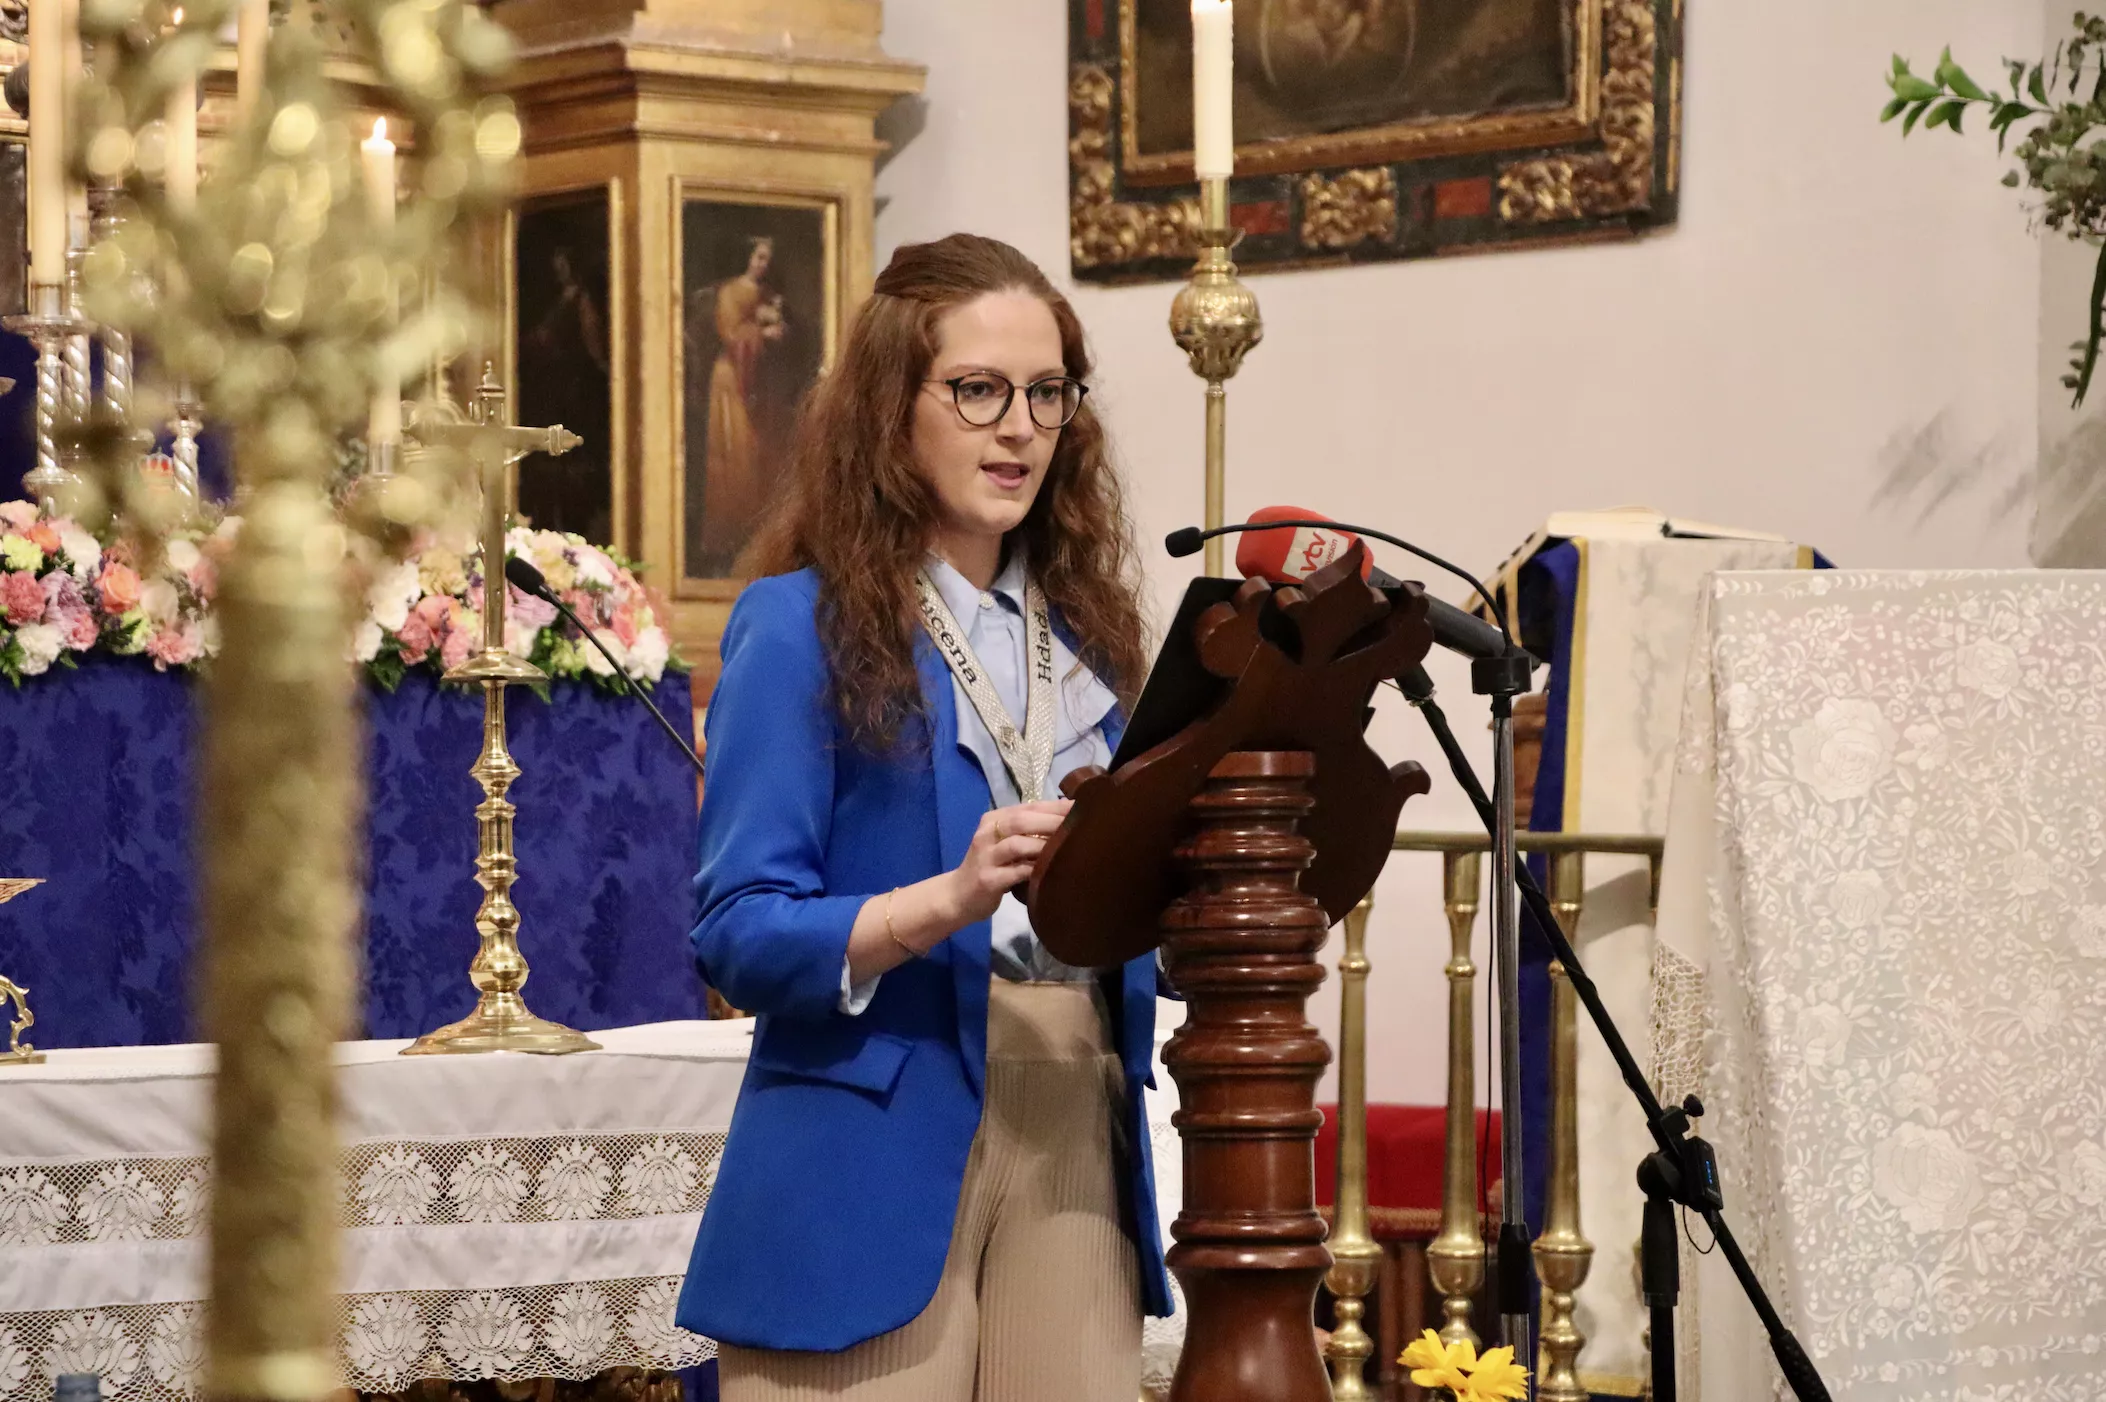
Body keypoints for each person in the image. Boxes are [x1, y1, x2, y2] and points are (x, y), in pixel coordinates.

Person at [675, 233, 1172, 1401]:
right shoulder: (798, 623)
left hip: (1075, 1117)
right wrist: (946, 898)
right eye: (979, 390)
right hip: (870, 1130)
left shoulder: (1093, 637)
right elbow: (738, 931)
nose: (1018, 429)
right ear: (893, 406)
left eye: (1048, 394)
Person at [698, 236, 788, 567]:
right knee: (732, 456)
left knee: (755, 457)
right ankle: (725, 540)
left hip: (757, 384)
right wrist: (761, 334)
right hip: (731, 381)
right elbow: (731, 335)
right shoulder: (730, 292)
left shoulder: (767, 295)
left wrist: (778, 332)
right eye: (759, 257)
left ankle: (753, 538)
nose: (763, 264)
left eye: (767, 258)